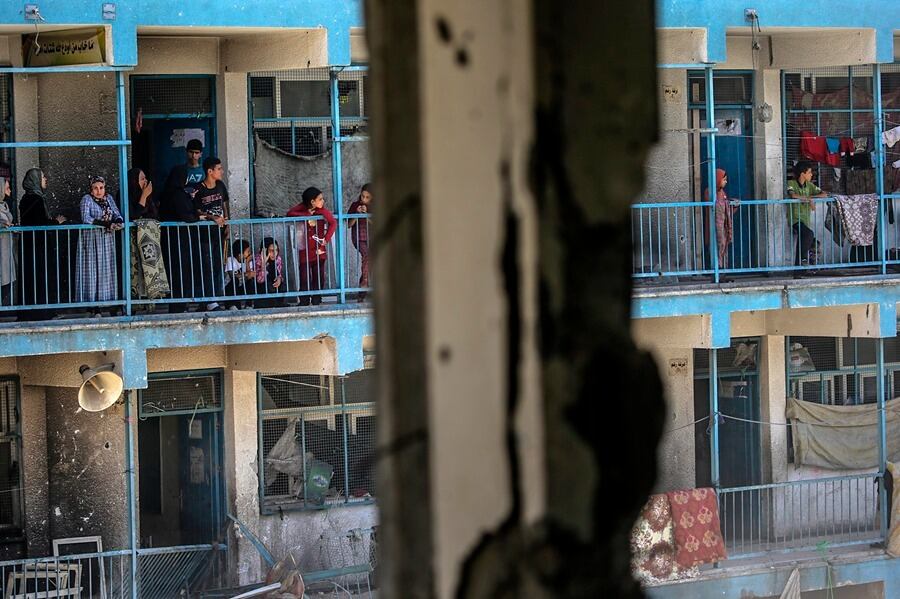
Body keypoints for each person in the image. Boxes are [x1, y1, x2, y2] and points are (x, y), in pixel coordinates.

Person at [18, 169, 67, 318]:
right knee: (41, 277)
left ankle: (32, 312)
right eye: (42, 177)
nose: (45, 179)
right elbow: (40, 222)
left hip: (31, 244)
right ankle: (43, 313)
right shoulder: (36, 199)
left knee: (32, 278)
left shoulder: (27, 198)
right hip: (38, 245)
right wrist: (56, 222)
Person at [76, 176, 124, 309]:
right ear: (91, 189)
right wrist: (105, 223)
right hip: (92, 240)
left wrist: (118, 221)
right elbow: (86, 218)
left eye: (101, 188)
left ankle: (108, 302)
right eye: (95, 188)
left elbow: (116, 213)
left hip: (106, 239)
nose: (99, 191)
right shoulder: (87, 199)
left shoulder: (108, 199)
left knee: (106, 268)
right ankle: (93, 305)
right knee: (92, 269)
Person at [125, 167, 170, 302]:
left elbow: (154, 216)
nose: (145, 181)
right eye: (142, 179)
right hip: (132, 244)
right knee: (134, 273)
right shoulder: (125, 194)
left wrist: (146, 196)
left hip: (148, 244)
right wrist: (143, 196)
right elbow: (133, 215)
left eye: (145, 178)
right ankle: (133, 303)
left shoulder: (148, 196)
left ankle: (149, 300)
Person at [287, 187, 337, 306]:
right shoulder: (302, 207)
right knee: (304, 277)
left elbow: (333, 222)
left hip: (319, 250)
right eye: (320, 199)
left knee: (319, 277)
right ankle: (304, 300)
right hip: (305, 250)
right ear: (312, 202)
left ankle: (316, 299)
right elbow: (290, 213)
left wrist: (326, 238)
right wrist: (306, 215)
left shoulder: (322, 211)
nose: (323, 201)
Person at [192, 156, 229, 311]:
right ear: (210, 171)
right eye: (219, 169)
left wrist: (227, 222)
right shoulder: (198, 189)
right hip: (204, 234)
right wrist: (212, 217)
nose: (221, 171)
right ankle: (208, 300)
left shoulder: (220, 186)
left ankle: (216, 297)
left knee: (217, 265)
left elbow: (225, 204)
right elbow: (196, 210)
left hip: (218, 233)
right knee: (206, 266)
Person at [787, 161, 828, 268]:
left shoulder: (809, 186)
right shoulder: (791, 183)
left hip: (805, 220)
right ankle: (804, 258)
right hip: (795, 219)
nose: (811, 175)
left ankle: (798, 270)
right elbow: (793, 195)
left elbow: (824, 194)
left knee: (805, 240)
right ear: (802, 174)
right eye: (809, 172)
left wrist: (812, 198)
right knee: (809, 234)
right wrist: (807, 199)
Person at [703, 169, 739, 269]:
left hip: (723, 226)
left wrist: (732, 203)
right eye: (724, 180)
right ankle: (715, 271)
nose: (726, 182)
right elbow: (717, 206)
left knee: (723, 246)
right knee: (716, 246)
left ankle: (722, 271)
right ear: (718, 179)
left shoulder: (722, 192)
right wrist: (725, 203)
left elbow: (725, 207)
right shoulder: (709, 191)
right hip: (713, 226)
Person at [161, 138, 205, 219]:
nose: (193, 156)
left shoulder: (205, 171)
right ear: (186, 152)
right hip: (183, 210)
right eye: (191, 152)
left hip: (201, 208)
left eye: (196, 153)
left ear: (200, 154)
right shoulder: (179, 171)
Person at [347, 183, 372, 299]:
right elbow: (349, 224)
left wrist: (367, 215)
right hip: (359, 238)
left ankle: (362, 291)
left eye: (367, 197)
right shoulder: (355, 205)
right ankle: (365, 282)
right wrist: (357, 214)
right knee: (367, 255)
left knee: (370, 261)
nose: (364, 199)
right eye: (362, 196)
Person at [254, 237, 284, 308]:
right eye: (271, 250)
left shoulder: (278, 259)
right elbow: (260, 280)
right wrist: (263, 263)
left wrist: (279, 279)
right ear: (265, 250)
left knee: (282, 283)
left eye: (276, 250)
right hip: (262, 290)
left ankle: (278, 303)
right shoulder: (257, 259)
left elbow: (279, 274)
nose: (275, 253)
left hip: (273, 287)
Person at [225, 239, 255, 309]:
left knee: (250, 282)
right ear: (240, 254)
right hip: (230, 288)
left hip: (242, 287)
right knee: (235, 280)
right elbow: (232, 276)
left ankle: (248, 305)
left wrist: (247, 262)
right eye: (247, 251)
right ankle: (231, 305)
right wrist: (246, 275)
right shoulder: (230, 260)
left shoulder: (248, 261)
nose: (250, 253)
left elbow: (250, 275)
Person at [0, 177, 16, 309]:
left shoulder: (4, 206)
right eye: (6, 188)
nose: (9, 190)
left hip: (5, 249)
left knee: (6, 282)